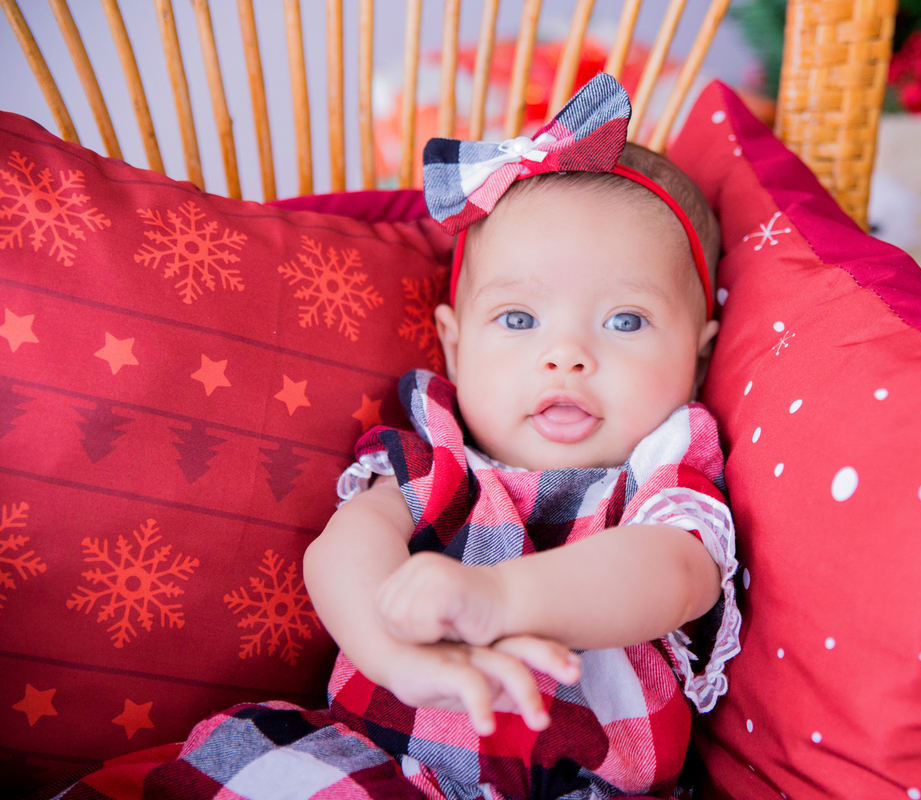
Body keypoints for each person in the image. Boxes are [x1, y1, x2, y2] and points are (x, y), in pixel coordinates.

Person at [54, 74, 739, 800]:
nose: (565, 355)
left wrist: (501, 597)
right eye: (517, 319)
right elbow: (342, 550)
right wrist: (391, 657)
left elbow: (674, 575)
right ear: (454, 346)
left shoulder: (664, 470)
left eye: (626, 320)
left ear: (698, 358)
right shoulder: (435, 457)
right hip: (384, 763)